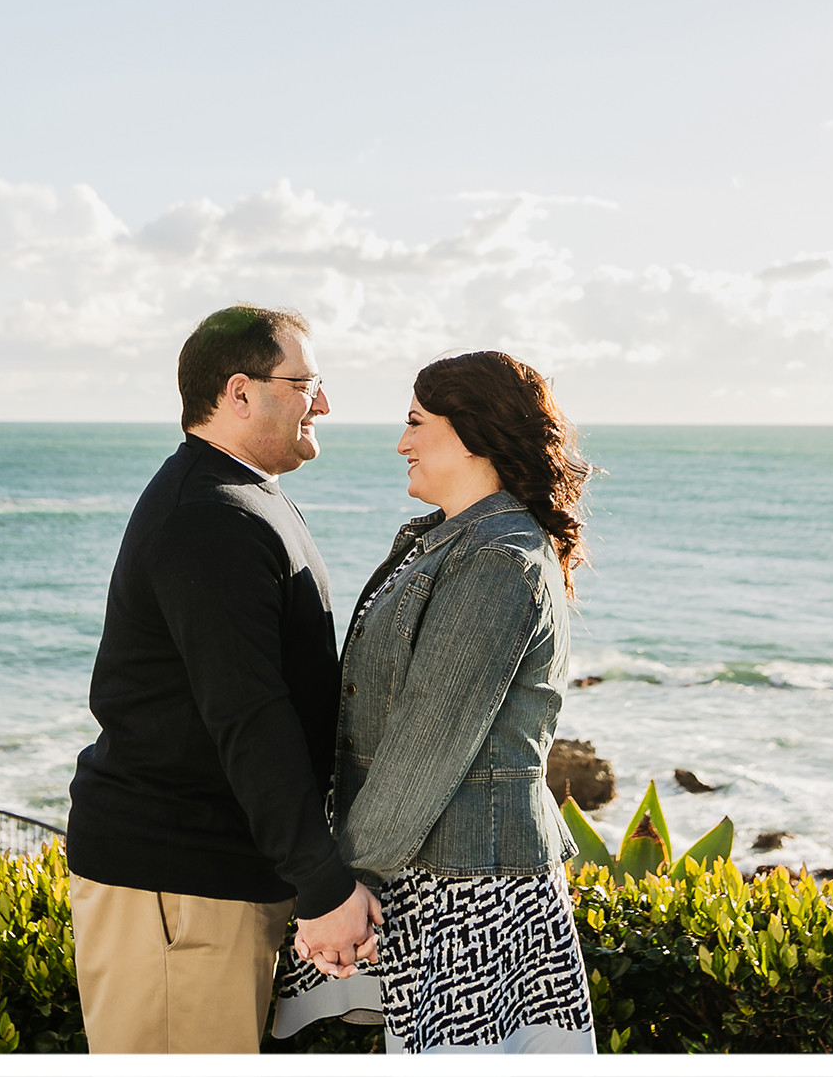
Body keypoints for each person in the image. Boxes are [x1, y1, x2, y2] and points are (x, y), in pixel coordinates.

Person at [65, 304, 385, 1053]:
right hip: (178, 884)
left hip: (206, 882)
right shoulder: (209, 516)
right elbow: (249, 715)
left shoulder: (244, 498)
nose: (325, 403)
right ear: (240, 393)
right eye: (306, 382)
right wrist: (323, 883)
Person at [267, 350, 598, 1055]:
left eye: (417, 422)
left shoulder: (495, 558)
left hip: (470, 888)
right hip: (435, 870)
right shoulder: (452, 542)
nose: (402, 442)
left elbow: (427, 741)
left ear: (473, 433)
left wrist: (339, 886)